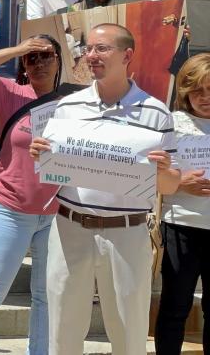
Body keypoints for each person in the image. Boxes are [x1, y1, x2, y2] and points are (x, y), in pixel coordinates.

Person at [29, 24, 179, 354]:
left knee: (129, 335)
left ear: (127, 55)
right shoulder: (67, 107)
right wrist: (42, 156)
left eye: (102, 48)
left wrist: (165, 172)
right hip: (70, 227)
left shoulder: (156, 112)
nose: (91, 55)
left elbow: (169, 184)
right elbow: (54, 172)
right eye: (89, 48)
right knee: (62, 333)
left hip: (127, 234)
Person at [0, 35, 69, 354]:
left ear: (59, 61)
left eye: (46, 55)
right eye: (32, 58)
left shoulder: (73, 104)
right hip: (10, 209)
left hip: (56, 215)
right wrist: (22, 48)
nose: (39, 63)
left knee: (46, 296)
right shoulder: (11, 93)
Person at [155, 53, 210, 354]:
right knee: (176, 305)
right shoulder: (172, 122)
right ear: (185, 91)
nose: (204, 97)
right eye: (197, 90)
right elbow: (154, 173)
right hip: (182, 224)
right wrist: (181, 182)